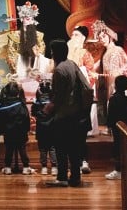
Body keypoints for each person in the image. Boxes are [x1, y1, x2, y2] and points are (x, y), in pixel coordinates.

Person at [46, 38, 91, 188]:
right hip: (76, 113)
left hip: (63, 114)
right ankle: (75, 177)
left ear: (56, 53)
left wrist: (49, 107)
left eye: (52, 52)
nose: (51, 54)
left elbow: (59, 96)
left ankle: (62, 177)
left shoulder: (59, 70)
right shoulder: (72, 64)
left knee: (60, 148)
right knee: (74, 148)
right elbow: (85, 86)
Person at [94, 19, 127, 134]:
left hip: (119, 82)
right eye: (100, 38)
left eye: (104, 37)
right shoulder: (104, 54)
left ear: (109, 36)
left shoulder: (118, 49)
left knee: (121, 107)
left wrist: (119, 72)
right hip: (110, 83)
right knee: (112, 106)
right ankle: (113, 129)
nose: (102, 40)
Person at [67, 25, 95, 173]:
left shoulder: (85, 53)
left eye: (76, 35)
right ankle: (73, 162)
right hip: (68, 100)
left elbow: (91, 74)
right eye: (72, 35)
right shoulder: (66, 54)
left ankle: (84, 161)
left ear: (83, 38)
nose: (73, 38)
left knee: (80, 136)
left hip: (81, 98)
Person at [0, 80, 32, 174]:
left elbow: (0, 118)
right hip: (20, 131)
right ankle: (25, 167)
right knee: (22, 149)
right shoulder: (21, 104)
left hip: (8, 131)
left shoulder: (3, 104)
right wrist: (27, 129)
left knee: (9, 149)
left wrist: (1, 130)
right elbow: (26, 118)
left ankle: (8, 167)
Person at [105, 75, 127, 180]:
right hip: (126, 129)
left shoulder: (113, 99)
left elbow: (110, 115)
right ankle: (126, 169)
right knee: (125, 149)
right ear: (126, 87)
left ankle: (118, 170)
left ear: (115, 86)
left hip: (116, 128)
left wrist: (109, 126)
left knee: (117, 149)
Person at [6, 1, 45, 79]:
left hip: (35, 68)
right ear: (21, 19)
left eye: (31, 19)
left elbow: (41, 52)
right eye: (26, 18)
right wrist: (20, 63)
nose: (29, 21)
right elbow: (10, 54)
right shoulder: (14, 36)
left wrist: (36, 57)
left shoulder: (39, 36)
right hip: (20, 67)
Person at [32, 80, 57, 175]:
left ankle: (44, 168)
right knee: (52, 148)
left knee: (42, 149)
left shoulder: (36, 102)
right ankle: (54, 167)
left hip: (41, 129)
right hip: (52, 128)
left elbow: (33, 113)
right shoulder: (53, 102)